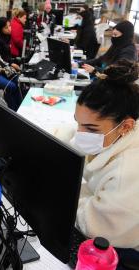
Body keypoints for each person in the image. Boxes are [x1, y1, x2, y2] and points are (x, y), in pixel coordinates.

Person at [56, 60, 139, 269]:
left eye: (91, 129)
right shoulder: (114, 136)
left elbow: (95, 227)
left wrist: (71, 186)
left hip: (122, 248)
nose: (81, 133)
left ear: (126, 126)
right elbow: (76, 142)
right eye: (78, 122)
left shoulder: (127, 173)